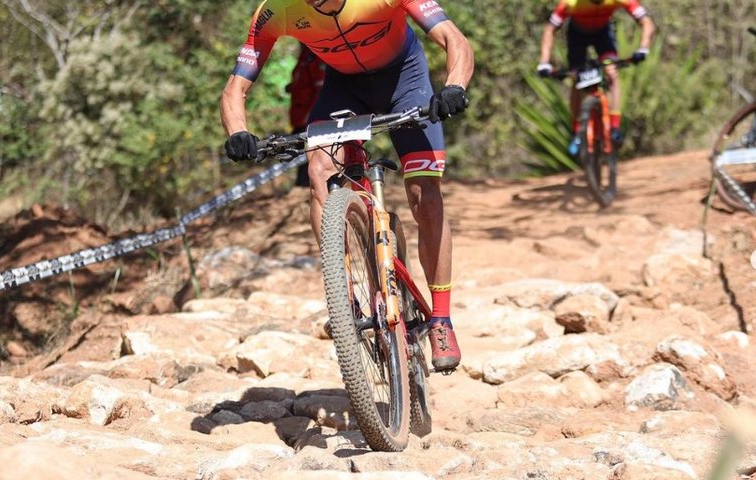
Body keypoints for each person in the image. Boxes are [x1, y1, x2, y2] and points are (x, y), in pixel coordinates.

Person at [220, 0, 474, 371]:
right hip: (343, 90)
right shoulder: (276, 11)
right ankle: (345, 299)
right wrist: (238, 131)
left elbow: (454, 40)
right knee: (320, 169)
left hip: (406, 79)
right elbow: (235, 88)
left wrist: (454, 87)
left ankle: (441, 318)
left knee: (425, 198)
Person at [536, 0, 655, 155]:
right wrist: (544, 62)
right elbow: (550, 29)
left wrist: (643, 47)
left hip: (603, 35)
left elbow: (646, 21)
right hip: (577, 37)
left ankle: (614, 126)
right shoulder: (570, 3)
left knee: (611, 71)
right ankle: (577, 131)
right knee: (576, 79)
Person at [287, 43, 325, 188]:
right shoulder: (304, 58)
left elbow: (320, 85)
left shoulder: (316, 57)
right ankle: (300, 182)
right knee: (297, 148)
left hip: (308, 116)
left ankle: (305, 183)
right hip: (299, 114)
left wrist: (313, 114)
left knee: (308, 150)